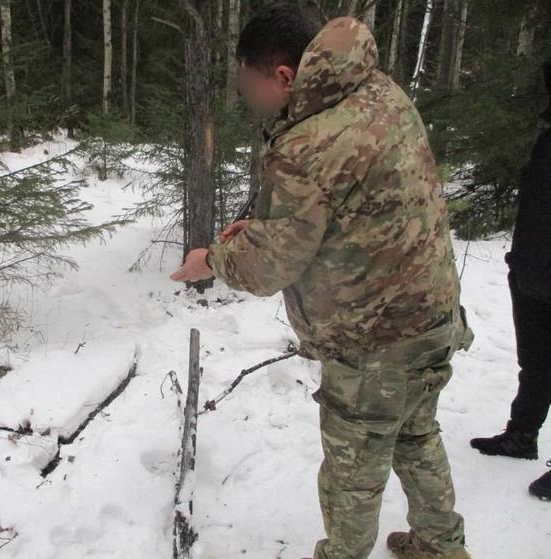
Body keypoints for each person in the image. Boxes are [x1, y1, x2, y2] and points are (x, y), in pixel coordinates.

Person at [169, 3, 475, 558]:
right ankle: (440, 546)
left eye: (249, 83)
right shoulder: (376, 89)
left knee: (353, 470)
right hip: (431, 312)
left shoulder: (307, 145)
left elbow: (269, 267)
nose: (247, 97)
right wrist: (265, 227)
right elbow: (346, 208)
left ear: (285, 77)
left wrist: (211, 260)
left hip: (374, 337)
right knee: (414, 434)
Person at [470, 61, 551, 501]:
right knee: (534, 365)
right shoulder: (546, 135)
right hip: (531, 270)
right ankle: (522, 436)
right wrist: (519, 263)